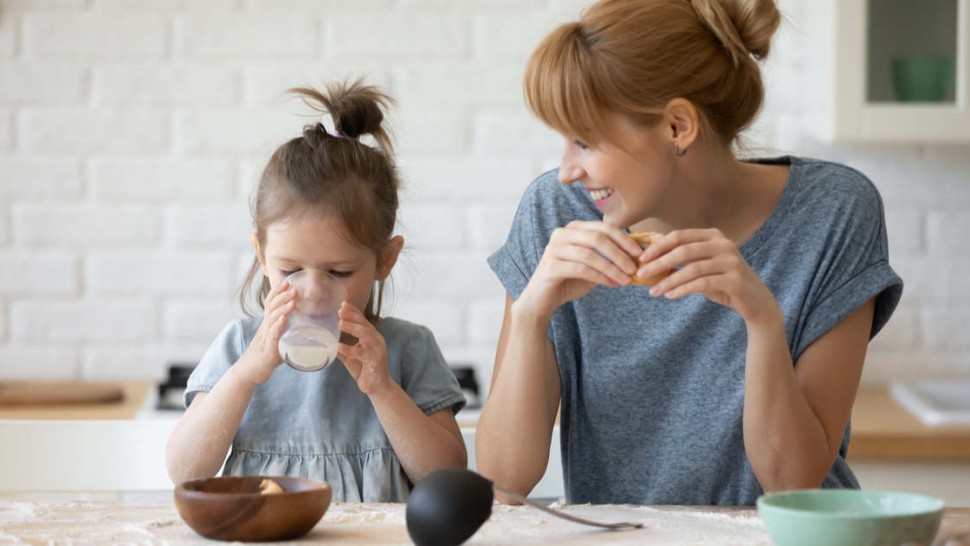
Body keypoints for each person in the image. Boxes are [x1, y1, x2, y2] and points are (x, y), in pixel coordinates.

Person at [476, 0, 903, 506]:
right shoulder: (554, 214)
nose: (567, 169)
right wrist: (530, 315)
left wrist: (762, 319)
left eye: (585, 141)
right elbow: (505, 480)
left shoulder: (831, 212)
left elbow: (794, 484)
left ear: (677, 126)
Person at [165, 80, 467, 502]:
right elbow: (185, 472)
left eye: (339, 271)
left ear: (385, 260)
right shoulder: (239, 346)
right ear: (261, 253)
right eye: (290, 269)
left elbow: (447, 480)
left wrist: (383, 390)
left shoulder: (407, 349)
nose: (313, 290)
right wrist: (245, 375)